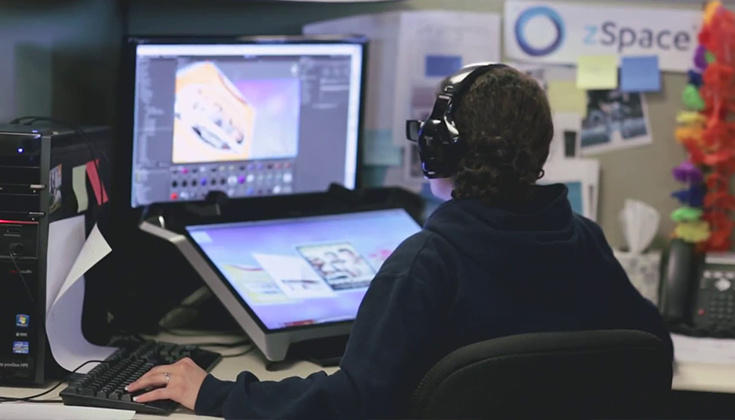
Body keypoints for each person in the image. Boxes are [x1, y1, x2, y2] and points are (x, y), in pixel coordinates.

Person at [126, 63, 674, 419]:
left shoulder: (425, 264)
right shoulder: (583, 240)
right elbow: (650, 349)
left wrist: (214, 392)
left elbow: (353, 402)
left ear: (439, 150)